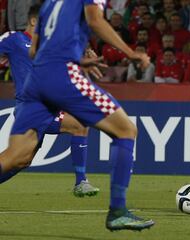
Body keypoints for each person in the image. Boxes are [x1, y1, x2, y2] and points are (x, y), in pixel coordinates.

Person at [0, 0, 154, 231]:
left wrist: (80, 59)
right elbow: (95, 20)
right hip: (63, 75)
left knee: (16, 157)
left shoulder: (48, 5)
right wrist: (131, 53)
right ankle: (118, 212)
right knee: (126, 130)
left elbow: (34, 50)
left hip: (35, 82)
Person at [0, 4, 99, 197]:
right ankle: (81, 182)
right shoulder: (14, 39)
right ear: (34, 21)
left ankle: (81, 182)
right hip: (32, 108)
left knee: (21, 160)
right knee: (79, 124)